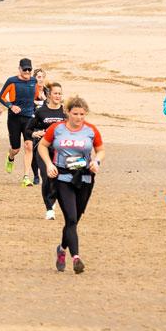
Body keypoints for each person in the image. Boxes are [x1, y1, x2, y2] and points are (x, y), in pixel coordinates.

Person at [40, 96, 103, 274]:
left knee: (74, 220)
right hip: (62, 178)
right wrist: (49, 164)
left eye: (82, 114)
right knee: (71, 218)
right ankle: (76, 258)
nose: (78, 118)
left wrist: (96, 162)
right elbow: (42, 146)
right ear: (68, 112)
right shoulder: (57, 129)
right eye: (75, 114)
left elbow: (101, 150)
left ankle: (62, 249)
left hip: (84, 178)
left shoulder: (91, 130)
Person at [25, 81, 68, 220]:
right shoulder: (41, 111)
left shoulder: (65, 112)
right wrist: (35, 134)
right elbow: (28, 129)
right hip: (43, 149)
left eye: (60, 94)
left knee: (58, 179)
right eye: (55, 93)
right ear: (49, 95)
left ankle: (53, 197)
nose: (57, 96)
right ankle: (49, 208)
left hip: (60, 152)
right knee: (46, 177)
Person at [0, 59, 39, 183]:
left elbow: (36, 96)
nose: (27, 72)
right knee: (16, 149)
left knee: (29, 146)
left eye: (29, 70)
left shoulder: (33, 81)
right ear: (19, 69)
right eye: (24, 69)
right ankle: (10, 157)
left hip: (29, 118)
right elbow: (1, 97)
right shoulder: (12, 81)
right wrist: (11, 106)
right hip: (14, 119)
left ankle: (26, 177)